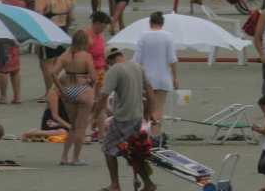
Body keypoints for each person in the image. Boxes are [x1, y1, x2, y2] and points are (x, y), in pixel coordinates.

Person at [92, 47, 156, 191]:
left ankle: (115, 185)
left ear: (109, 60)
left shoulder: (115, 70)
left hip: (123, 117)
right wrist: (152, 113)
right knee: (132, 152)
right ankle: (148, 183)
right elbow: (150, 90)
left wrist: (95, 117)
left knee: (108, 149)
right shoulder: (137, 66)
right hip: (137, 116)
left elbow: (103, 95)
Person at [51, 29, 96, 166]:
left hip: (68, 90)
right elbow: (94, 77)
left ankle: (64, 156)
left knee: (73, 126)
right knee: (81, 126)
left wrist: (61, 91)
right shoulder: (86, 56)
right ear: (84, 42)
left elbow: (53, 72)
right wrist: (90, 85)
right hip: (83, 90)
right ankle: (76, 157)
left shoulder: (65, 55)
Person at [134, 11, 178, 140]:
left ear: (150, 23)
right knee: (158, 107)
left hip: (146, 77)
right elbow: (172, 59)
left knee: (145, 108)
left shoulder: (143, 36)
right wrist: (175, 77)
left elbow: (137, 59)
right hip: (163, 77)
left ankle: (144, 132)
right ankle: (155, 135)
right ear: (162, 24)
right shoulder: (168, 36)